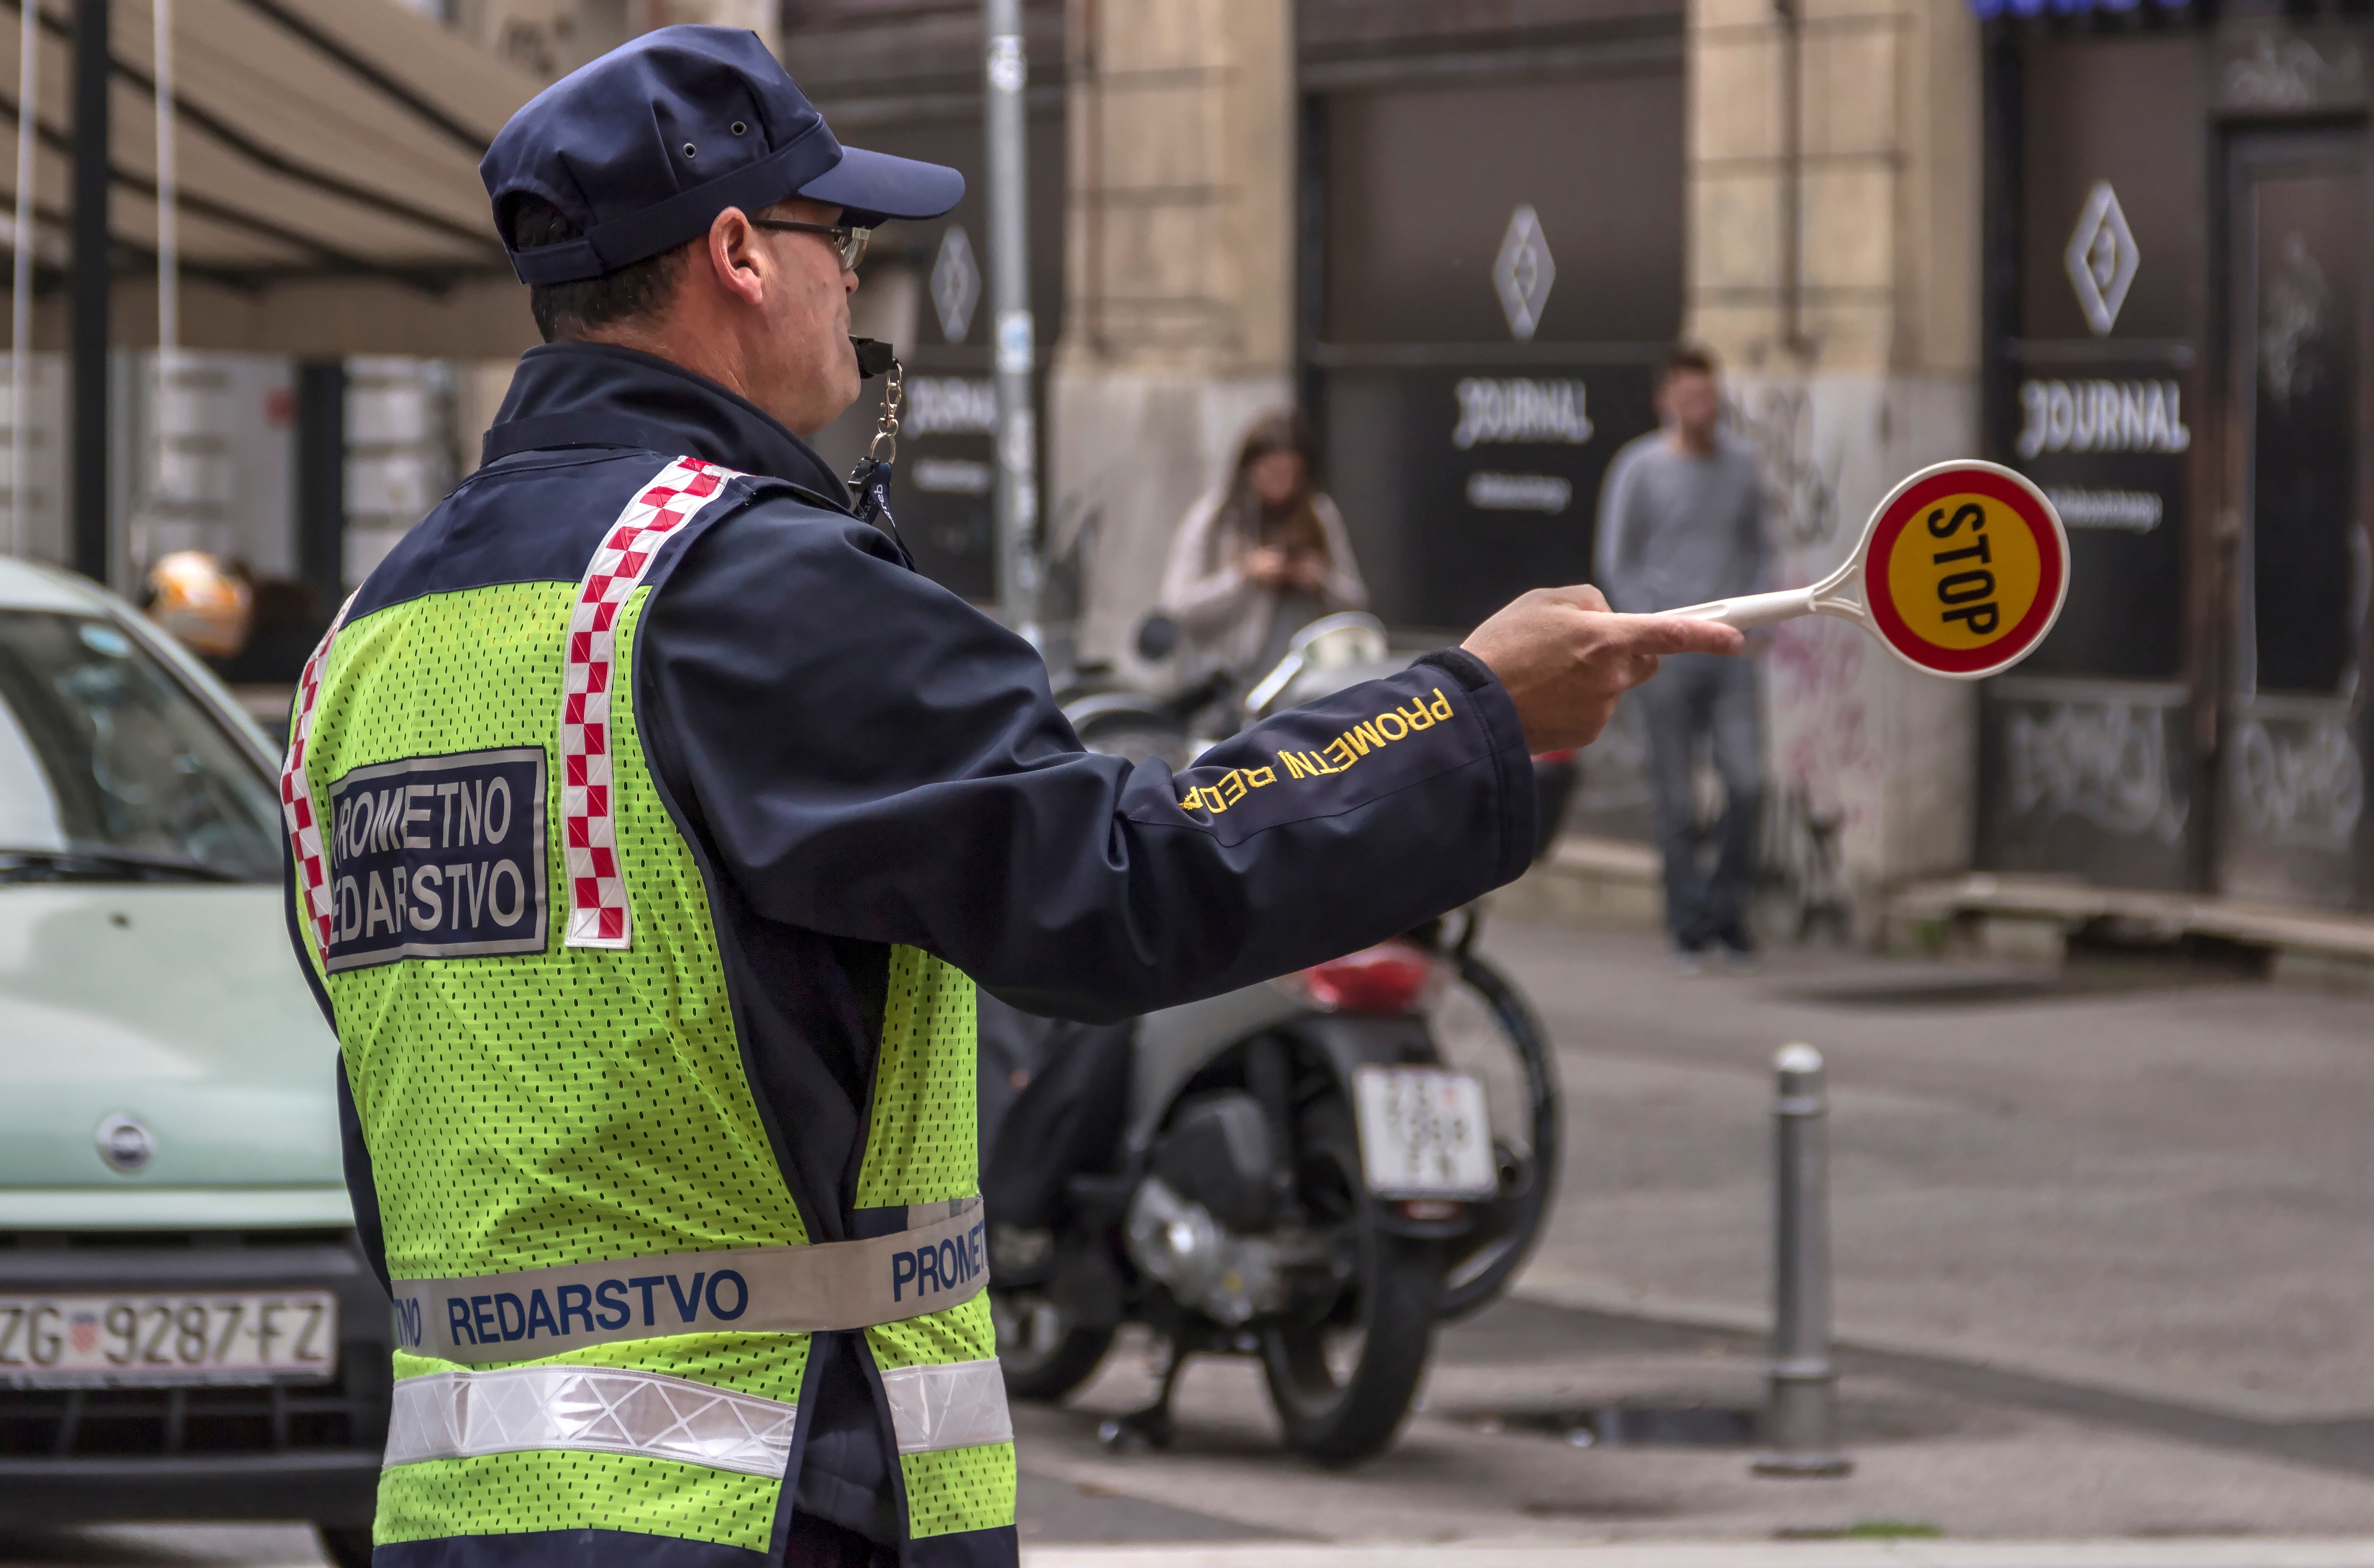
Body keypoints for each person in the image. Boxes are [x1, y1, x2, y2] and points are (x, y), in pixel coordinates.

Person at [282, 27, 1740, 1568]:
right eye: (839, 237)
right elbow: (1117, 878)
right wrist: (1468, 712)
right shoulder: (746, 588)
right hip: (765, 1509)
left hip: (461, 1520)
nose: (858, 280)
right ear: (738, 255)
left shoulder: (367, 641)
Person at [1594, 343, 1773, 969]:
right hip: (1667, 655)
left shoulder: (1742, 466)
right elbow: (1617, 561)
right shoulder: (1639, 469)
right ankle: (1687, 924)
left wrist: (1758, 620)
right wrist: (1651, 630)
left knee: (1747, 784)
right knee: (1674, 796)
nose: (1702, 406)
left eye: (1709, 394)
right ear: (1665, 400)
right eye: (1690, 395)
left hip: (1731, 654)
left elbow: (1761, 549)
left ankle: (1728, 911)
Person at [1158, 411, 1368, 704]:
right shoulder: (1216, 519)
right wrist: (1245, 576)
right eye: (1270, 473)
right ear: (1249, 469)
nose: (1280, 486)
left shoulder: (1319, 515)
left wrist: (1319, 580)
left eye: (1289, 475)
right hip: (1228, 683)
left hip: (1304, 680)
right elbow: (1178, 606)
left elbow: (1356, 601)